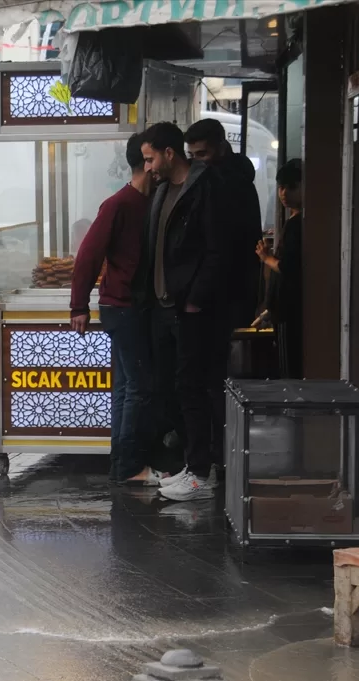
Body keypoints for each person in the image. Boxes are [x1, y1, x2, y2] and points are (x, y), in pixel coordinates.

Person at [137, 122, 225, 502]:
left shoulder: (203, 189)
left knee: (193, 389)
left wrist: (195, 298)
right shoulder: (162, 191)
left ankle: (203, 473)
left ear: (169, 154)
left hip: (189, 308)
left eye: (150, 158)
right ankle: (193, 466)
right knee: (172, 389)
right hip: (162, 307)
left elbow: (216, 250)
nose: (148, 167)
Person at [69, 133, 162, 487]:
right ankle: (129, 466)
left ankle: (122, 464)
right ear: (145, 163)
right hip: (122, 308)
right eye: (152, 161)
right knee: (136, 387)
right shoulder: (119, 204)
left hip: (126, 306)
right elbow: (88, 255)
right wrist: (79, 305)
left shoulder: (149, 202)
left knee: (126, 388)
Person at [184, 118, 263, 467]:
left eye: (202, 153)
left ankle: (218, 454)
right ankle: (221, 452)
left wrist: (197, 295)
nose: (198, 160)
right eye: (193, 155)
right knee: (215, 378)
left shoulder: (222, 183)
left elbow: (221, 247)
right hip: (230, 291)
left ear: (219, 145)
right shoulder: (234, 177)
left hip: (222, 295)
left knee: (212, 379)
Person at [256, 159, 304, 378]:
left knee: (290, 369)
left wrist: (266, 258)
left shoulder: (297, 225)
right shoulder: (293, 222)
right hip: (284, 310)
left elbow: (288, 267)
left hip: (289, 313)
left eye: (291, 187)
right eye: (281, 188)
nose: (284, 193)